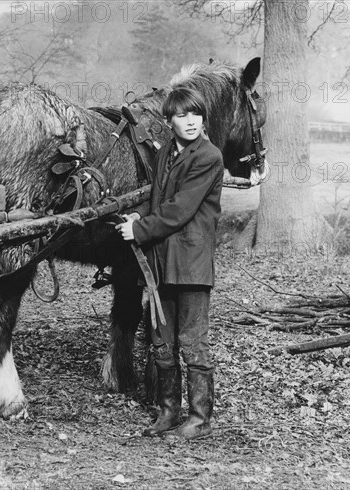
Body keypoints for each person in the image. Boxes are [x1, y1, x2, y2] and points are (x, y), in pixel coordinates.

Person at [116, 86, 224, 440]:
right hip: (161, 263)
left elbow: (179, 209)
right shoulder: (165, 156)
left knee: (193, 343)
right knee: (162, 341)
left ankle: (199, 419)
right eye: (182, 115)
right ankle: (168, 412)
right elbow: (160, 200)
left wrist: (140, 229)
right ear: (169, 121)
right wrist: (137, 215)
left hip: (191, 264)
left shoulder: (208, 156)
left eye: (196, 115)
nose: (191, 121)